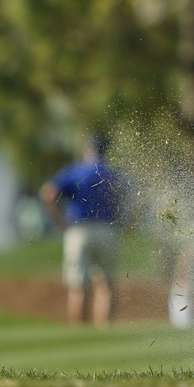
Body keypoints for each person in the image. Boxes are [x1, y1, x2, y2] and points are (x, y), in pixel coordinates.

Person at [40, 132, 126, 327]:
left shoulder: (75, 171)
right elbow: (139, 197)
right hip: (108, 231)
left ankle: (79, 336)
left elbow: (48, 193)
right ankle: (105, 334)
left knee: (79, 288)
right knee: (106, 287)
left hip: (79, 231)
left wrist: (59, 222)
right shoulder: (113, 172)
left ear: (87, 149)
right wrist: (128, 222)